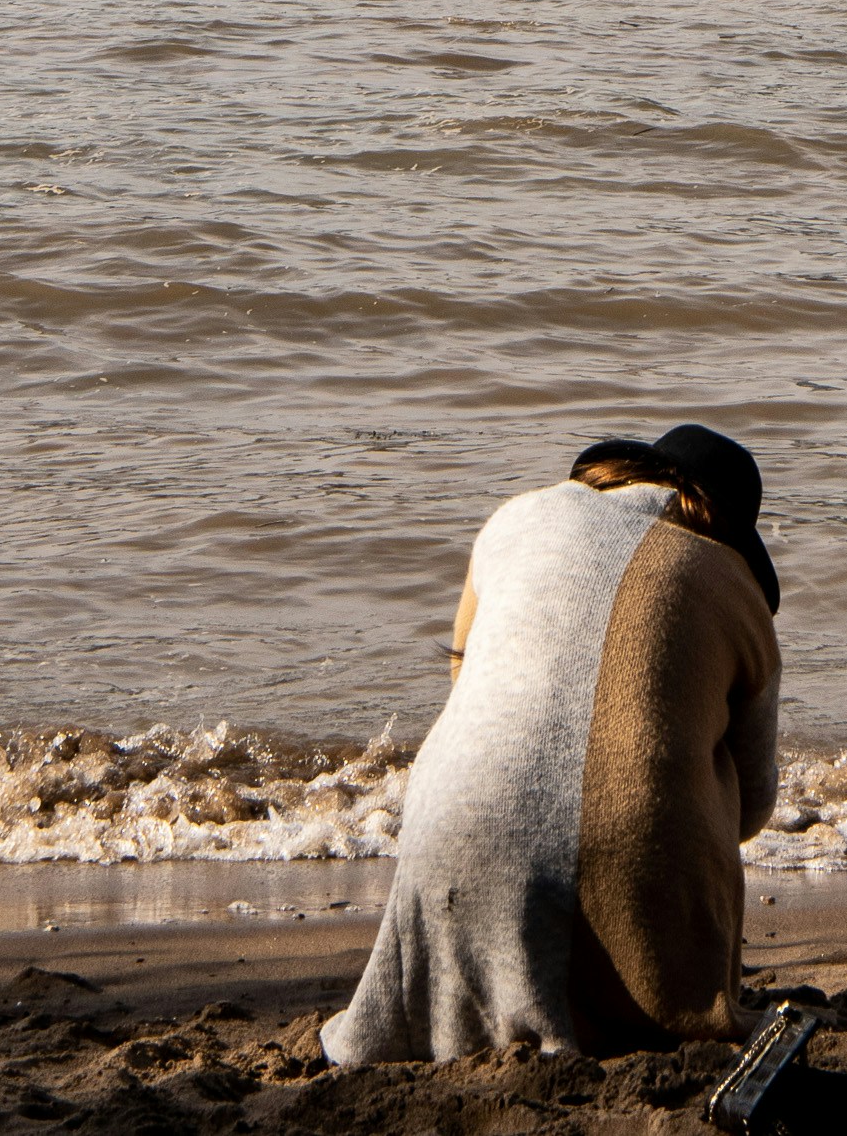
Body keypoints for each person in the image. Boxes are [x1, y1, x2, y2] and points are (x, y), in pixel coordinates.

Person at [321, 424, 781, 1066]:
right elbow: (756, 807)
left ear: (627, 472)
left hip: (450, 838)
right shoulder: (737, 586)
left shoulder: (515, 518)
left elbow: (464, 679)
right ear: (728, 526)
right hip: (636, 888)